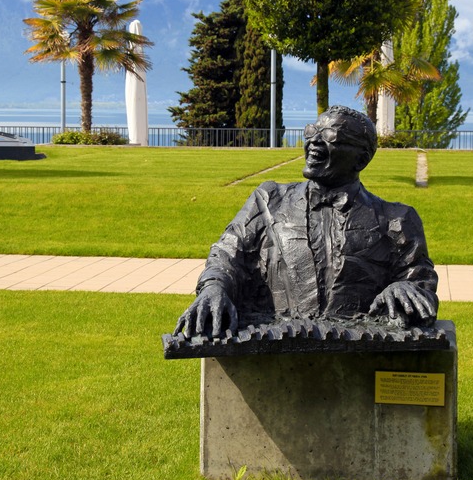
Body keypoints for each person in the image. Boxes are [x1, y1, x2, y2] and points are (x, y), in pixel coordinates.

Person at [174, 105, 438, 338]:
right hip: (275, 346)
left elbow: (420, 280)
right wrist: (214, 287)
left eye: (330, 137)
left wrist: (403, 287)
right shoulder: (269, 200)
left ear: (362, 158)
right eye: (312, 132)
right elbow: (227, 253)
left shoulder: (397, 219)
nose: (314, 143)